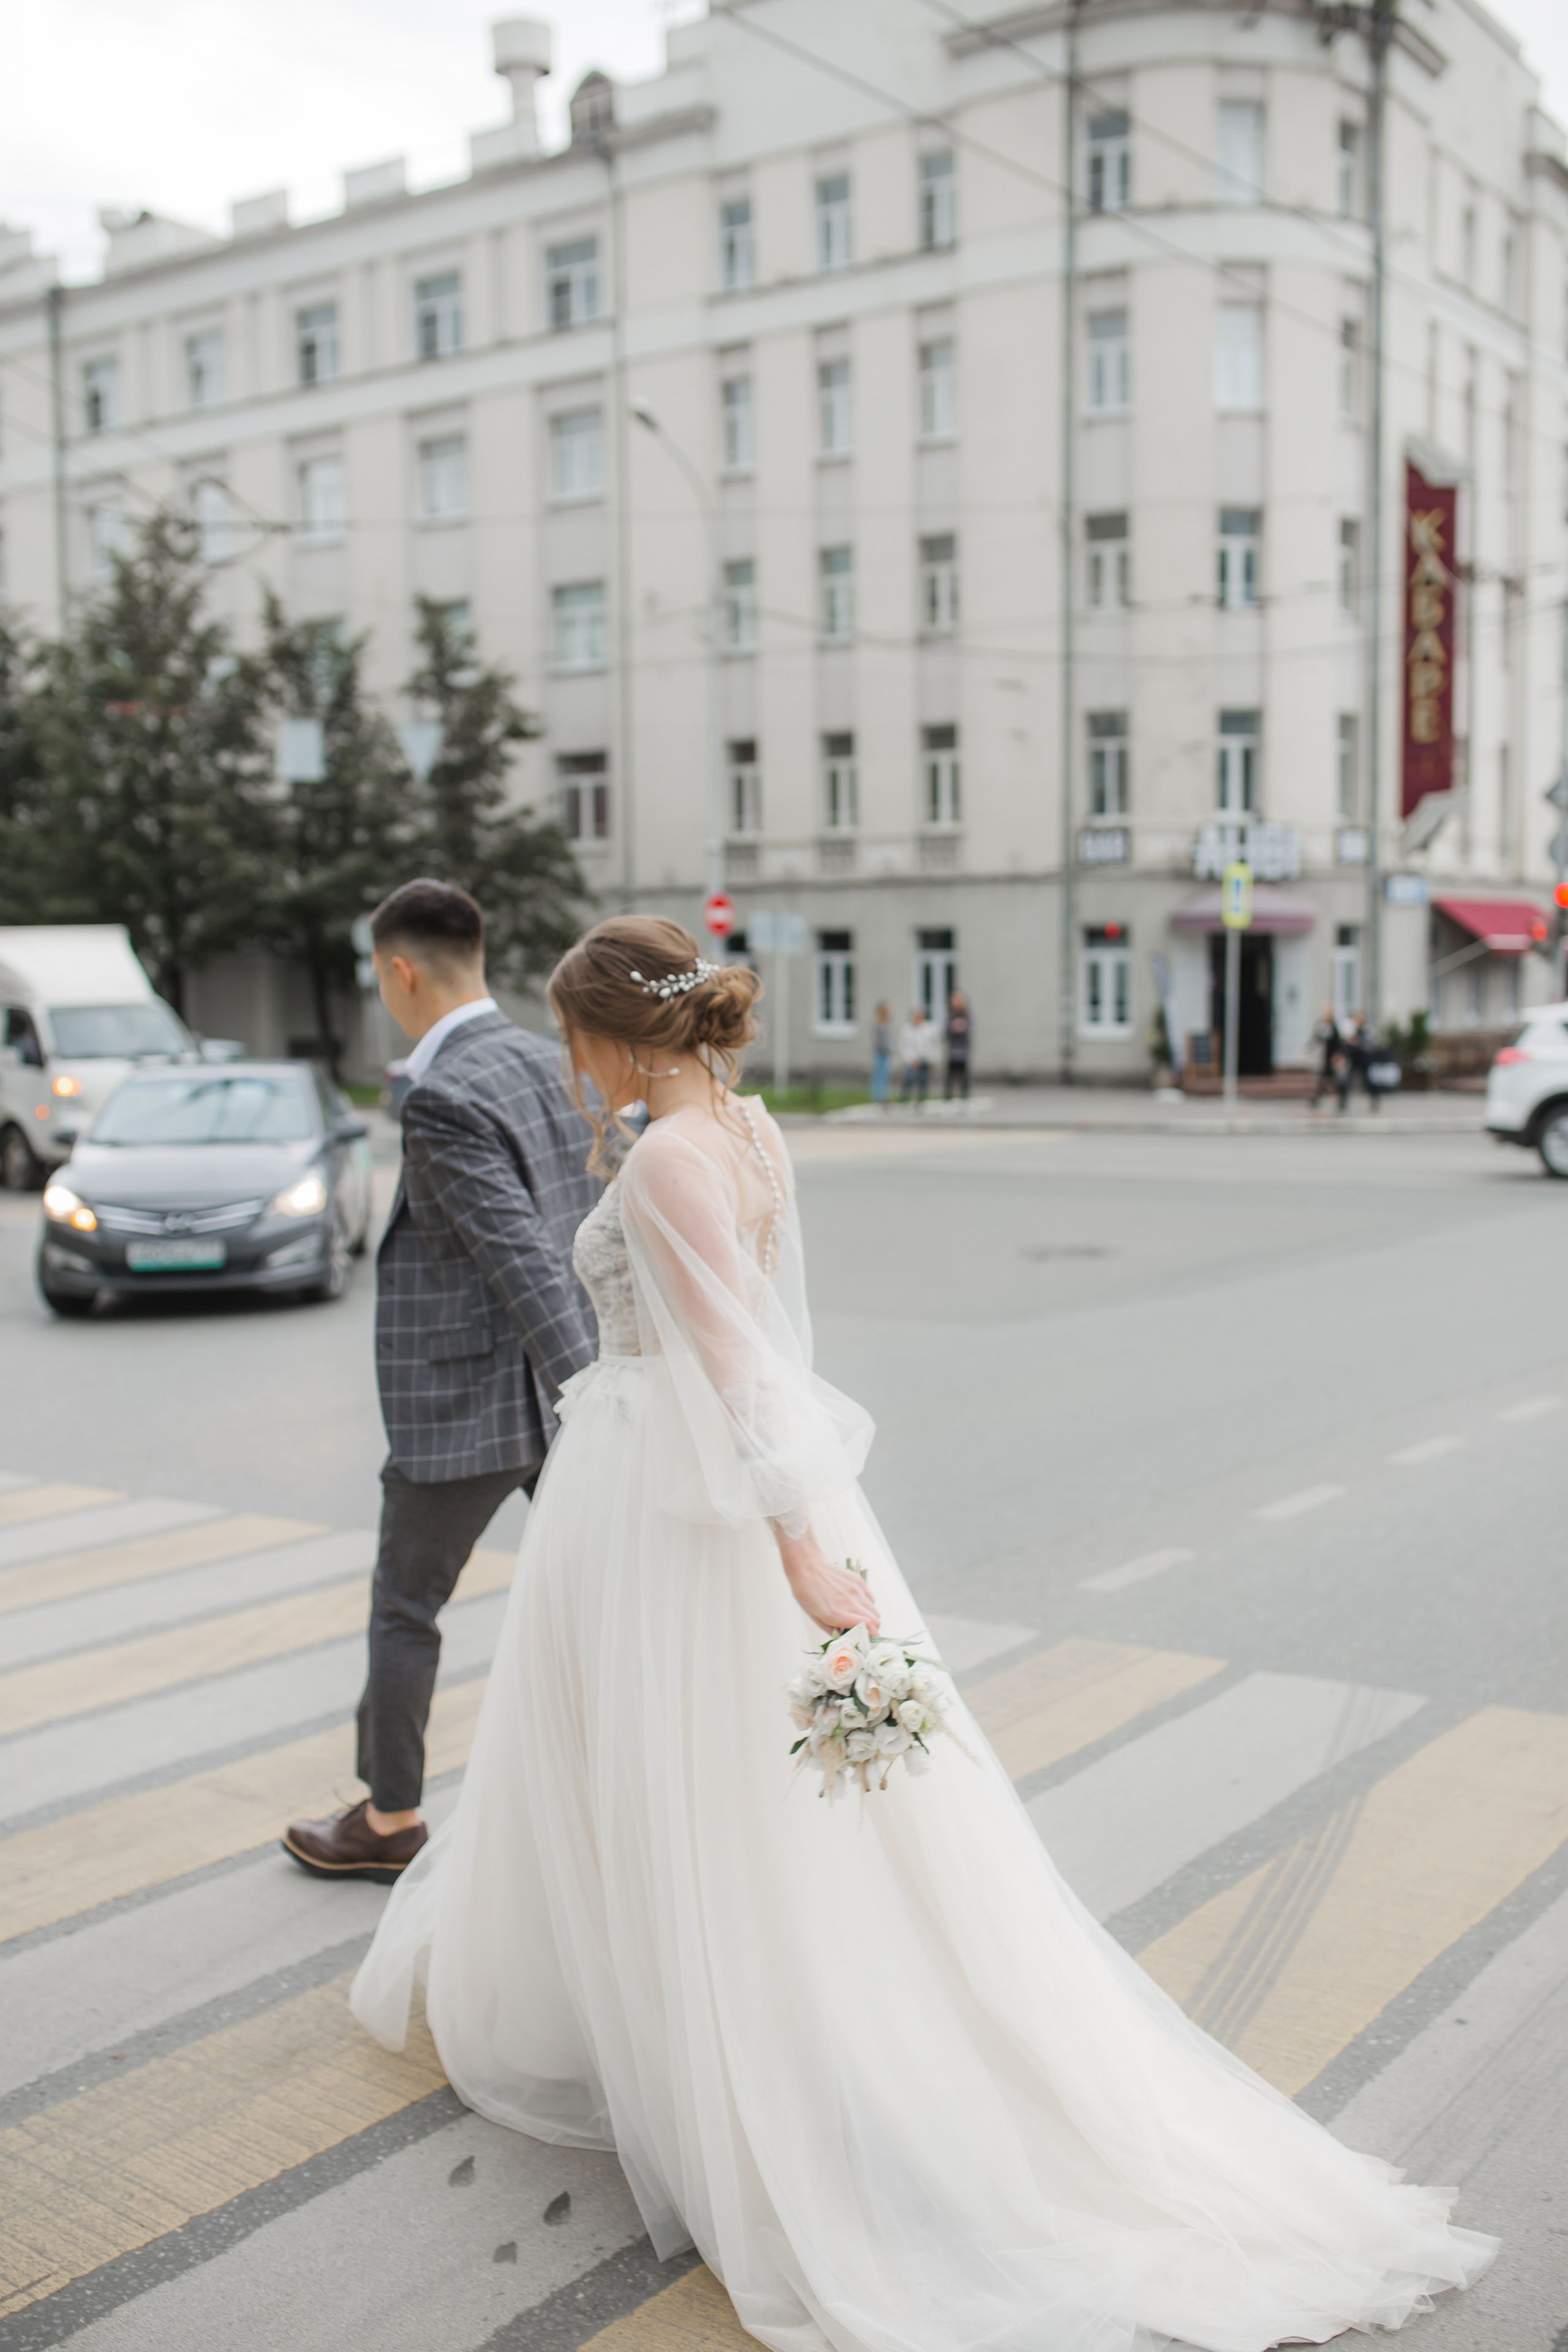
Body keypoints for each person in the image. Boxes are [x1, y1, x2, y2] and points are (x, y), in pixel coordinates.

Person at [353, 914, 1491, 2352]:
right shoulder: (742, 1131)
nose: (563, 1061)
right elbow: (761, 1336)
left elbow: (735, 1364)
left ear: (603, 1034)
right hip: (672, 1485)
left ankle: (715, 2051)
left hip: (675, 1508)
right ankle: (656, 2018)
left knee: (685, 1788)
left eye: (571, 1038)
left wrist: (797, 1546)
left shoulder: (661, 1157)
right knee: (700, 1790)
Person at [283, 880, 598, 1885]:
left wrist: (589, 1397)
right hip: (561, 1398)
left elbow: (523, 1262)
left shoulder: (443, 1095)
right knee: (603, 1594)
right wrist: (595, 1397)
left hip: (471, 1410)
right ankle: (624, 1787)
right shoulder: (552, 1063)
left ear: (398, 971)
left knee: (406, 1609)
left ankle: (389, 1820)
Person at [1308, 1005, 1343, 1109]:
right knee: (1323, 1080)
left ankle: (1340, 1098)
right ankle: (1316, 1099)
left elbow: (1337, 1043)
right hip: (1326, 1056)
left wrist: (1337, 1056)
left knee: (1331, 1080)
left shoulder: (1333, 1027)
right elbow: (1319, 1039)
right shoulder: (1324, 1026)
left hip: (1331, 1057)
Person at [897, 1005, 930, 1104]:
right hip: (911, 1061)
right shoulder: (906, 1029)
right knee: (909, 1080)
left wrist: (930, 1059)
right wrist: (911, 1059)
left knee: (923, 1082)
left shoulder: (926, 1029)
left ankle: (921, 1102)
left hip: (923, 1060)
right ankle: (904, 1101)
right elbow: (903, 1046)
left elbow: (929, 1046)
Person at [943, 990, 972, 1100]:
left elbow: (967, 1030)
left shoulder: (966, 1015)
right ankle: (948, 1099)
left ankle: (965, 1098)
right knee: (950, 1077)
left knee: (964, 1077)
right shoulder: (951, 1016)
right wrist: (955, 1028)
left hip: (963, 1050)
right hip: (953, 1050)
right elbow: (947, 1032)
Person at [869, 1002, 894, 1107]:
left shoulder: (885, 1023)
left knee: (884, 1075)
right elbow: (880, 1041)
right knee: (879, 1075)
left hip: (885, 1053)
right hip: (880, 1053)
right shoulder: (878, 1024)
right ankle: (878, 1097)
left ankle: (883, 1096)